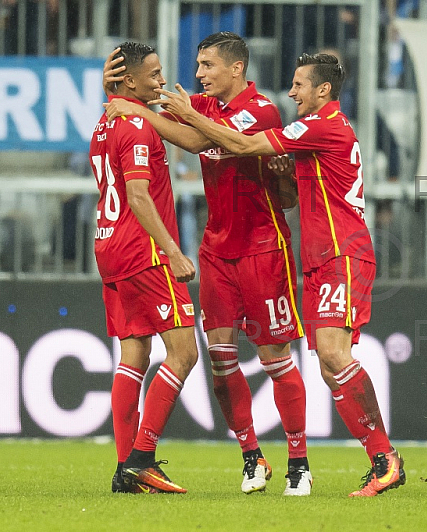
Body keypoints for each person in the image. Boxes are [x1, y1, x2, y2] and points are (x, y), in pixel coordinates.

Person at [142, 52, 406, 498]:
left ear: (323, 89)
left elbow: (244, 146)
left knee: (332, 355)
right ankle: (378, 457)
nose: (291, 93)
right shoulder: (313, 132)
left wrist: (189, 115)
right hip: (318, 256)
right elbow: (290, 192)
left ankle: (380, 459)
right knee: (329, 364)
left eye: (299, 85)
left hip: (341, 251)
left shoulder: (319, 124)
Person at [103, 32, 311, 496]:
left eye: (208, 65)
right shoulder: (203, 103)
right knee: (220, 359)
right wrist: (113, 87)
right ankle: (252, 456)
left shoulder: (262, 110)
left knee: (274, 357)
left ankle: (298, 461)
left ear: (236, 68)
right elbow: (140, 96)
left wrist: (155, 114)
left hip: (263, 247)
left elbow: (208, 141)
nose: (198, 74)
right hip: (217, 251)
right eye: (198, 65)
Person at [90, 41, 199, 495]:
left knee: (133, 354)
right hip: (144, 252)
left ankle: (123, 471)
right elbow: (137, 195)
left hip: (109, 247)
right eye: (153, 74)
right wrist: (172, 250)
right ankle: (142, 458)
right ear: (130, 80)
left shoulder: (107, 120)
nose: (162, 80)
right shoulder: (136, 126)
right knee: (184, 353)